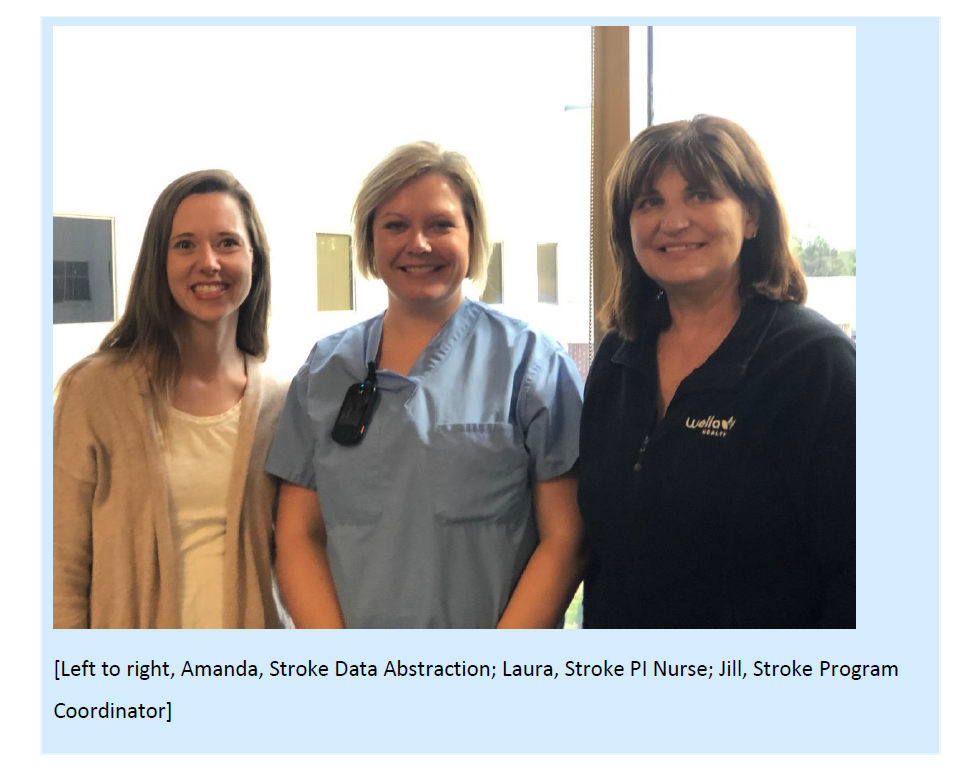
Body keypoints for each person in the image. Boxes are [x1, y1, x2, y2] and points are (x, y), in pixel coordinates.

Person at [267, 142, 586, 628]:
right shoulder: (325, 371)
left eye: (441, 224)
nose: (418, 244)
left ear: (473, 237)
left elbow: (566, 538)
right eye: (395, 225)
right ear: (369, 241)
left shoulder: (532, 364)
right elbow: (296, 536)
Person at [579, 116, 855, 628]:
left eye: (701, 195)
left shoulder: (815, 363)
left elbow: (857, 573)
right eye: (649, 202)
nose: (675, 220)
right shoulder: (621, 351)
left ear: (752, 215)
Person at [53, 169, 286, 629]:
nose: (209, 262)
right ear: (159, 263)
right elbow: (60, 567)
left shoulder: (280, 402)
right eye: (185, 244)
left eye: (227, 242)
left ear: (254, 259)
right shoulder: (94, 392)